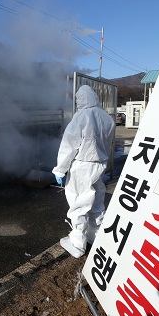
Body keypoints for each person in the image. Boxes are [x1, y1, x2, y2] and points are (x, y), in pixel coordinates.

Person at [52, 85, 115, 258]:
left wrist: (60, 169)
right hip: (99, 165)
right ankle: (95, 236)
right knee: (96, 201)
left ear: (81, 99)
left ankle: (77, 243)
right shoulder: (107, 118)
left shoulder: (82, 116)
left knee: (79, 202)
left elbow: (69, 146)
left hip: (82, 166)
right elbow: (108, 144)